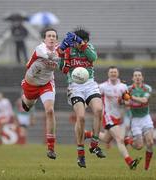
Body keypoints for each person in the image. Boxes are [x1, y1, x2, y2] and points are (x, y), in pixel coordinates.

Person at [58, 27, 105, 168]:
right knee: (82, 117)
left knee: (98, 110)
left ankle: (95, 144)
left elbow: (93, 57)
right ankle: (80, 154)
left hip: (90, 84)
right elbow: (62, 69)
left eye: (83, 41)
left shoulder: (88, 47)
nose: (80, 43)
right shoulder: (68, 50)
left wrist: (83, 45)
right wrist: (62, 56)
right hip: (75, 86)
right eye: (78, 41)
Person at [85, 66, 141, 170]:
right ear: (108, 74)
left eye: (115, 72)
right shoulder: (103, 87)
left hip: (118, 117)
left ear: (118, 74)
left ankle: (87, 134)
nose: (113, 74)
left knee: (107, 139)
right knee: (120, 139)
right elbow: (94, 98)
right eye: (111, 72)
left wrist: (123, 101)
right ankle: (130, 162)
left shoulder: (123, 87)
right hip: (108, 116)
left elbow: (128, 101)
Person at [21, 28, 59, 159]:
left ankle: (51, 148)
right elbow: (49, 55)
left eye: (54, 36)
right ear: (44, 39)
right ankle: (25, 99)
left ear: (56, 39)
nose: (51, 38)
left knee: (49, 111)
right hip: (31, 84)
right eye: (49, 36)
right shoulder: (40, 48)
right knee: (26, 107)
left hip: (46, 84)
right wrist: (61, 56)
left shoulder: (59, 49)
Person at [124, 68, 154, 170]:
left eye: (139, 75)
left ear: (142, 78)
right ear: (132, 78)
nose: (137, 77)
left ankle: (146, 167)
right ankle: (128, 140)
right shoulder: (128, 89)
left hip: (146, 118)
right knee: (139, 146)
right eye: (135, 75)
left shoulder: (147, 88)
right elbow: (126, 103)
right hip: (135, 120)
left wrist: (131, 98)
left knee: (150, 142)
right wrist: (128, 101)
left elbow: (144, 100)